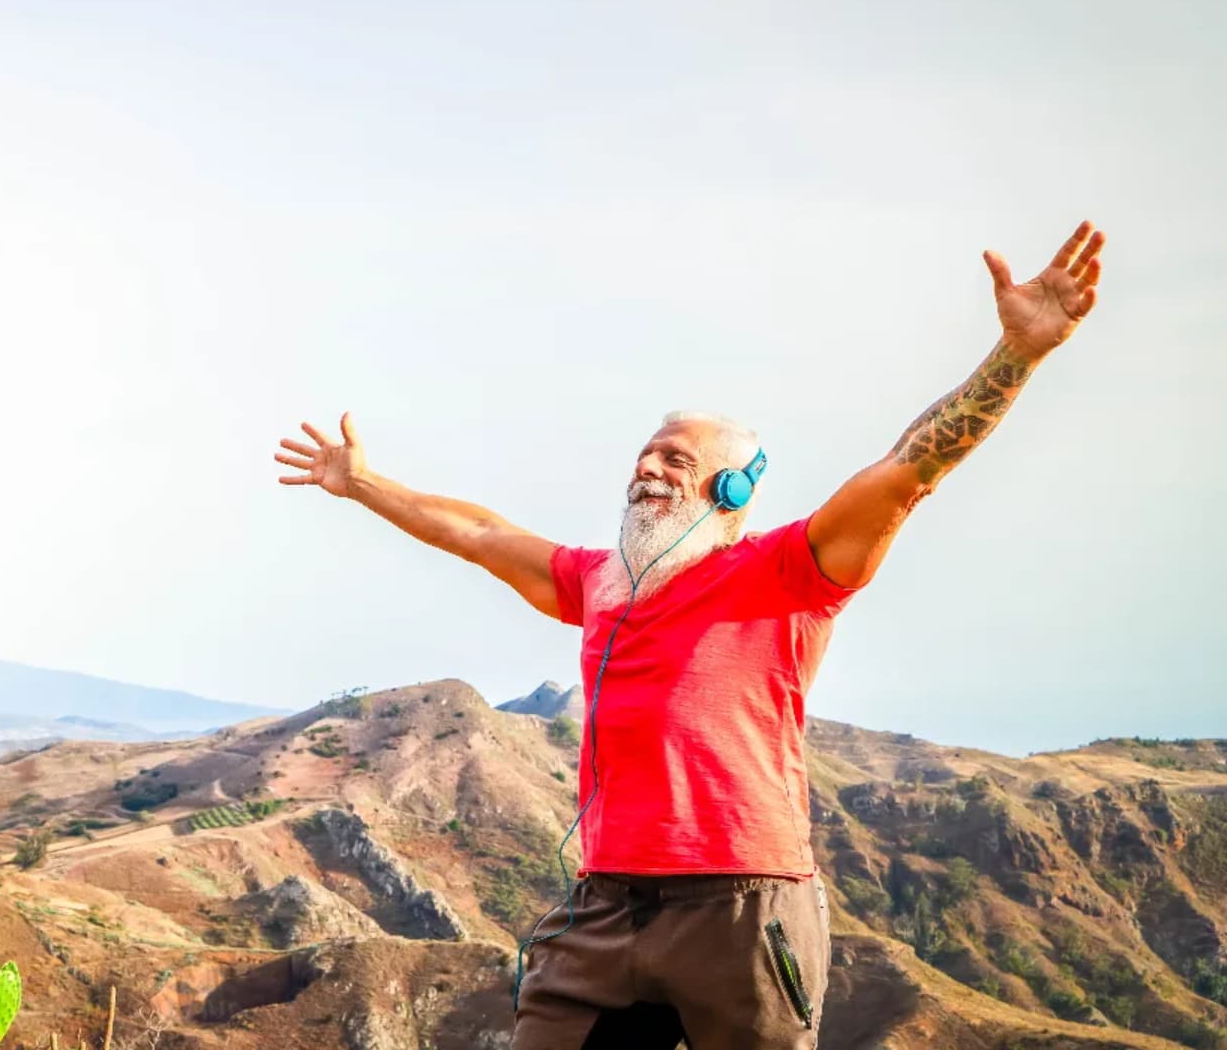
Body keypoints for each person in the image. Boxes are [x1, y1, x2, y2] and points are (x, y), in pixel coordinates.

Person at [272, 221, 1108, 1049]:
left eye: (675, 459)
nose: (648, 468)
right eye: (644, 455)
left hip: (741, 905)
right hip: (606, 904)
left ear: (735, 487)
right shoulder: (598, 582)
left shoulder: (790, 571)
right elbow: (481, 534)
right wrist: (365, 484)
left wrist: (1017, 355)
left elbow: (907, 468)